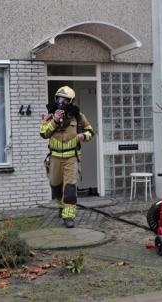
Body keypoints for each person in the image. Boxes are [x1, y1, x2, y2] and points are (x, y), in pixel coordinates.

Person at [39, 86, 94, 228]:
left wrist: (83, 136)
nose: (61, 102)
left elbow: (90, 132)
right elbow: (43, 133)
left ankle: (69, 216)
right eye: (59, 98)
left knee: (70, 188)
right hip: (55, 157)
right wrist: (55, 120)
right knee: (55, 185)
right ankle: (61, 206)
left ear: (70, 101)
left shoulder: (79, 116)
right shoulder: (50, 116)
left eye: (64, 99)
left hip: (71, 157)